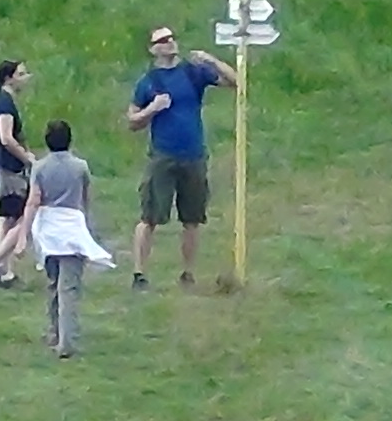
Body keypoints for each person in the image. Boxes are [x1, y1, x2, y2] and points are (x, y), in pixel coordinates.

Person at [123, 25, 238, 290]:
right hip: (162, 155)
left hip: (193, 155)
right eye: (162, 40)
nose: (170, 42)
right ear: (153, 49)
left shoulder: (192, 72)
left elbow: (235, 82)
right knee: (150, 216)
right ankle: (139, 273)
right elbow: (132, 121)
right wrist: (152, 109)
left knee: (192, 218)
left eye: (171, 38)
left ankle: (188, 273)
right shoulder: (148, 82)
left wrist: (211, 60)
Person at [23, 120, 112, 359]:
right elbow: (86, 199)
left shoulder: (40, 168)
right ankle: (67, 341)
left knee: (53, 283)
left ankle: (54, 331)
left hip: (48, 231)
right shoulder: (80, 167)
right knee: (69, 288)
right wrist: (90, 227)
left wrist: (23, 234)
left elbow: (34, 200)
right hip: (72, 228)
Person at [0, 59, 39, 289]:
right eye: (21, 74)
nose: (25, 78)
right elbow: (6, 138)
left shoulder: (2, 102)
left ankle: (5, 273)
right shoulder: (5, 105)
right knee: (25, 215)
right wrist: (27, 157)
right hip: (8, 170)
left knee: (6, 220)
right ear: (9, 78)